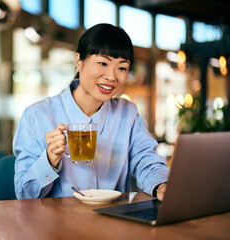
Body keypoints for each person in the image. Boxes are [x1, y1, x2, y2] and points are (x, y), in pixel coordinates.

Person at [12, 23, 169, 201]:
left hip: (114, 221)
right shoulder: (37, 116)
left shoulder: (128, 113)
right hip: (57, 226)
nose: (111, 76)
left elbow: (145, 160)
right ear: (78, 61)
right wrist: (49, 159)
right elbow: (24, 194)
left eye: (122, 68)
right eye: (103, 63)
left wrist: (161, 185)